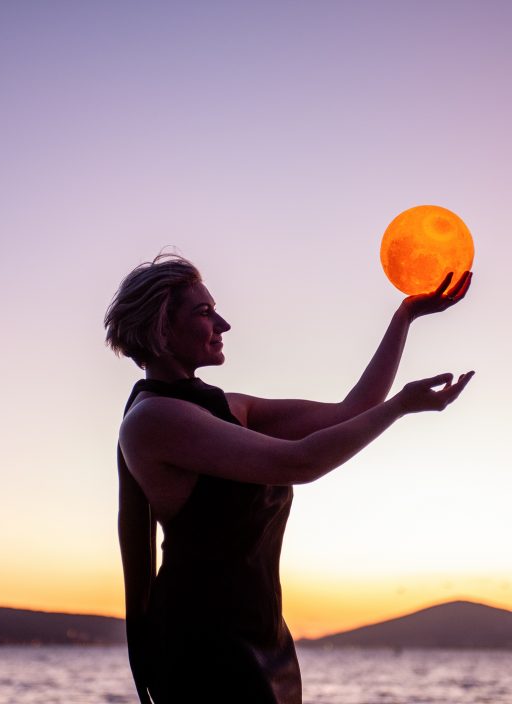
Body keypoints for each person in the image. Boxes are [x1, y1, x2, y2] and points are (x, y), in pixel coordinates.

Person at [104, 253, 473, 704]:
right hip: (205, 650)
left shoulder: (230, 408)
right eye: (204, 312)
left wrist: (405, 316)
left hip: (266, 641)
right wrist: (398, 408)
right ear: (160, 329)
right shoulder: (154, 420)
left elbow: (350, 411)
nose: (223, 324)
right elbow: (300, 462)